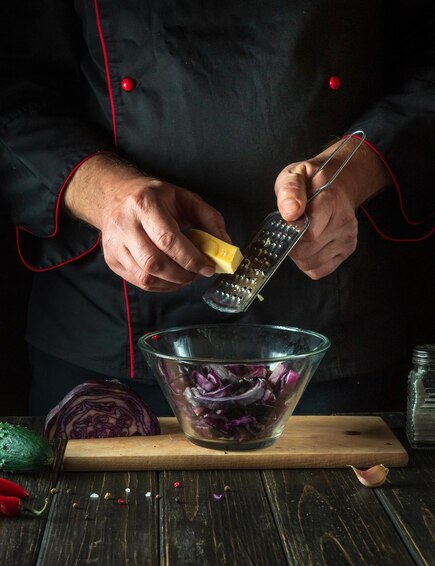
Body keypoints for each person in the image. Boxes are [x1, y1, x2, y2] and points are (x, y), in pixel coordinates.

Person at [0, 2, 434, 417]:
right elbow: (12, 85)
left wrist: (350, 172)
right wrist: (105, 193)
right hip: (107, 325)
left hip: (333, 327)